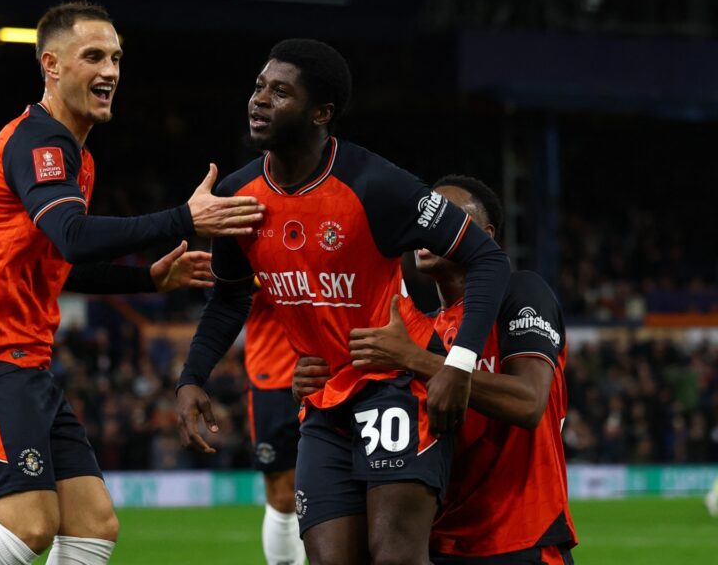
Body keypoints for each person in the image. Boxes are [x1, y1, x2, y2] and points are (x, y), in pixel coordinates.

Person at [0, 1, 263, 565]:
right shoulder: (38, 142)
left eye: (117, 58)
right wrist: (184, 219)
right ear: (51, 64)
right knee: (30, 529)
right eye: (94, 57)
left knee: (94, 526)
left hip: (23, 361)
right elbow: (74, 236)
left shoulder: (76, 158)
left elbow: (60, 263)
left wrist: (147, 279)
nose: (110, 71)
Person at [176, 39, 511, 565]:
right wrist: (193, 375)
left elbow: (488, 258)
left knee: (396, 556)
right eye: (259, 86)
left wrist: (458, 365)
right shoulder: (238, 198)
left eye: (280, 92)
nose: (259, 100)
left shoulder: (375, 185)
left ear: (321, 113)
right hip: (323, 398)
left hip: (394, 389)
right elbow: (229, 298)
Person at [294, 175, 578, 564]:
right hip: (436, 542)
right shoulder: (415, 328)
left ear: (485, 235)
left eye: (448, 216)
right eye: (424, 218)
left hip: (520, 538)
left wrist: (415, 360)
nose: (430, 228)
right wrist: (322, 386)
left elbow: (529, 403)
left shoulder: (521, 292)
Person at [242, 288, 306, 565]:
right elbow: (226, 291)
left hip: (342, 366)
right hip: (276, 375)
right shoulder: (247, 245)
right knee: (283, 494)